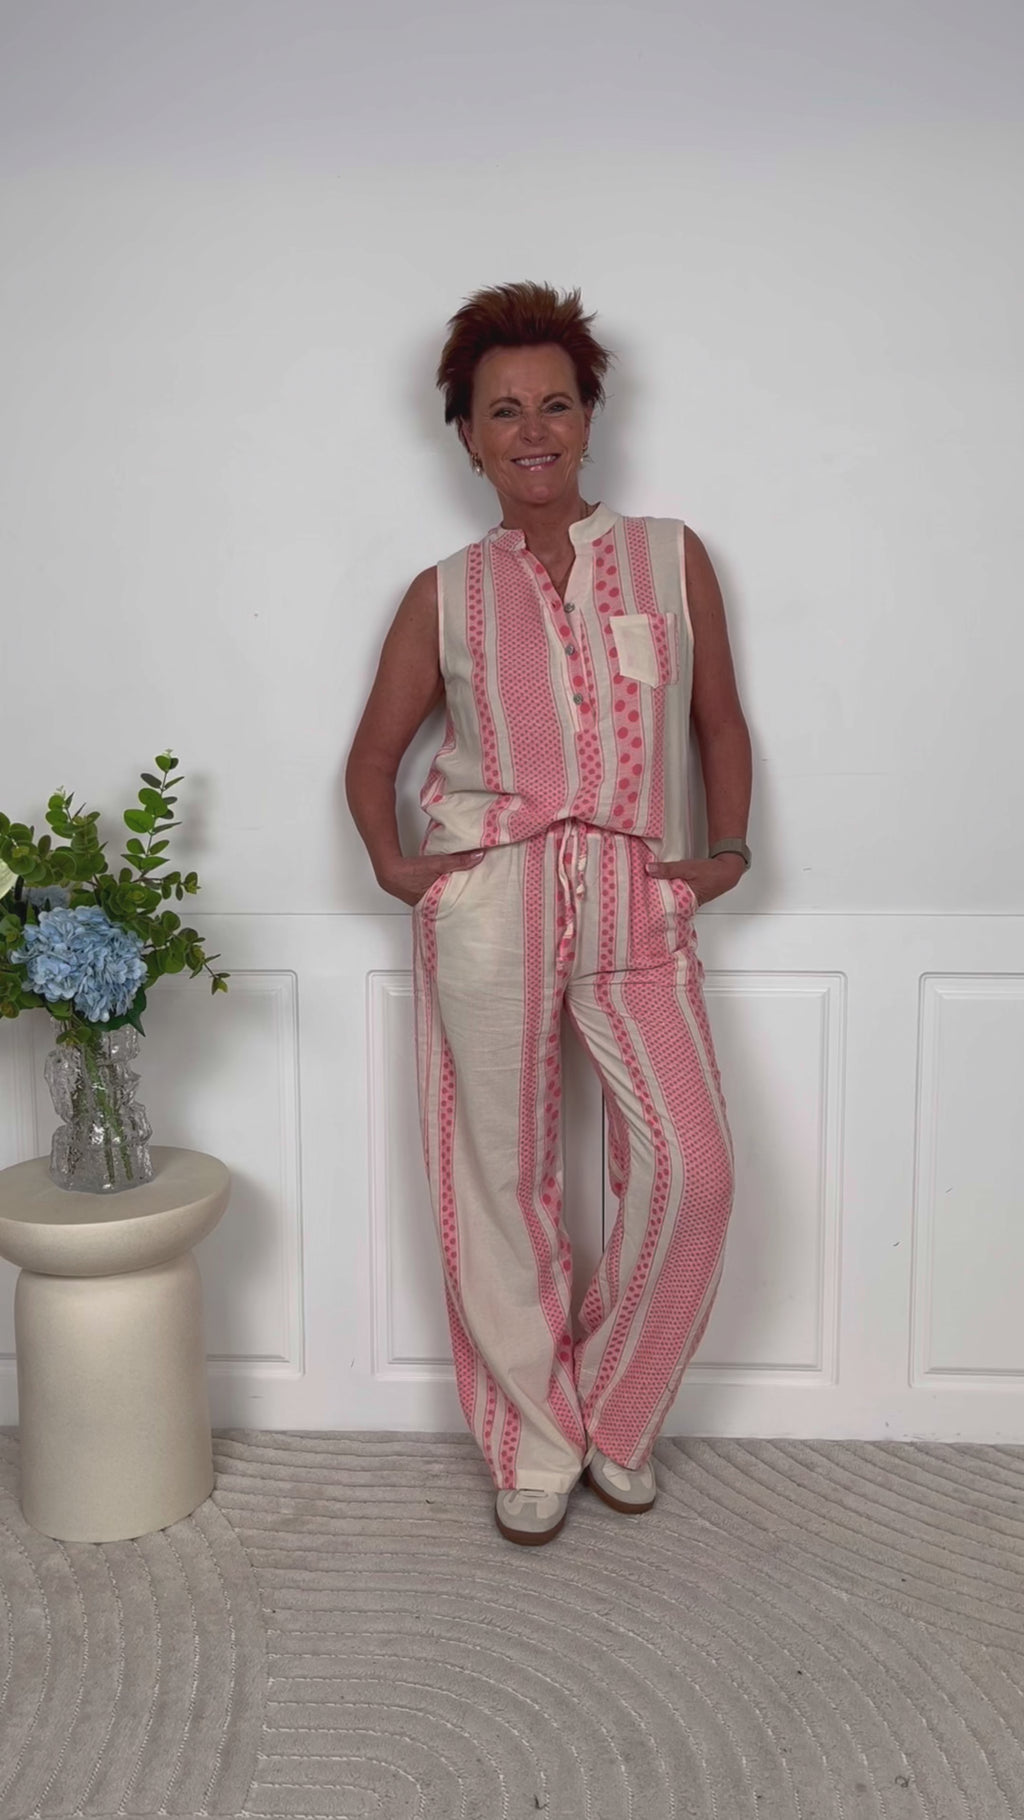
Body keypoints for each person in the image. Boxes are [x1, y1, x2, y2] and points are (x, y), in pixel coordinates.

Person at [346, 281, 752, 1547]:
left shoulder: (670, 558)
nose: (532, 429)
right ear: (467, 437)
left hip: (636, 889)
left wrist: (722, 852)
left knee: (692, 1168)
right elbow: (373, 756)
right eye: (503, 410)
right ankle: (532, 1439)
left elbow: (719, 722)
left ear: (589, 417)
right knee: (498, 1178)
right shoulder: (444, 592)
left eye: (555, 404)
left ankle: (615, 1413)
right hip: (494, 892)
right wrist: (398, 864)